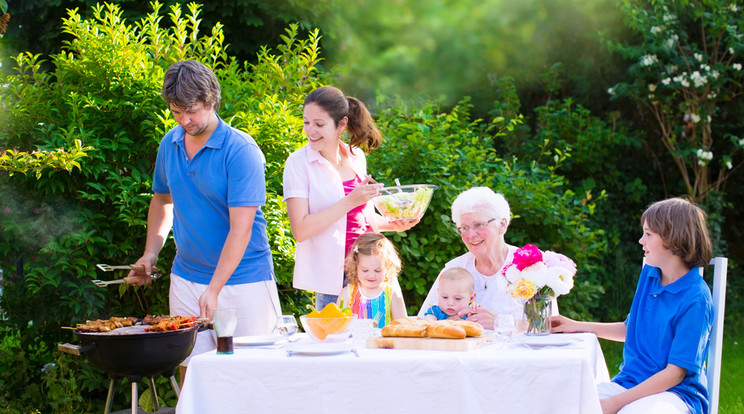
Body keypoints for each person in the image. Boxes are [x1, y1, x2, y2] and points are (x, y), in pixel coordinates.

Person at [129, 60, 281, 380]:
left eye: (192, 111)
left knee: (254, 378)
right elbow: (161, 200)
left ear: (211, 100)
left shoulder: (240, 150)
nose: (185, 120)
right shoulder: (169, 144)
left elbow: (241, 228)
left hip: (245, 281)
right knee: (192, 374)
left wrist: (214, 288)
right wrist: (150, 253)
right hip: (186, 278)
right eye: (176, 112)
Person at [551, 197, 714, 414]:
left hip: (675, 394)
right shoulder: (650, 275)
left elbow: (675, 374)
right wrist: (576, 325)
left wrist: (617, 402)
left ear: (673, 239)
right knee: (567, 404)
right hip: (630, 383)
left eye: (648, 234)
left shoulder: (696, 299)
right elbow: (632, 329)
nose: (641, 241)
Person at [283, 85, 418, 310]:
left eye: (319, 124)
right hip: (334, 277)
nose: (310, 131)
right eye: (306, 122)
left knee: (385, 335)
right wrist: (350, 201)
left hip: (372, 267)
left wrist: (396, 224)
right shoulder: (298, 164)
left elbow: (363, 219)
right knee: (335, 339)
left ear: (342, 124)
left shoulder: (355, 157)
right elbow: (301, 230)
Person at [417, 187, 527, 329]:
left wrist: (499, 323)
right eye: (464, 228)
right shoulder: (454, 269)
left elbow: (548, 326)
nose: (470, 235)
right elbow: (421, 324)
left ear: (502, 225)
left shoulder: (529, 267)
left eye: (479, 225)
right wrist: (449, 323)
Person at [336, 232, 407, 328]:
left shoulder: (391, 294)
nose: (371, 275)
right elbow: (338, 325)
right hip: (353, 342)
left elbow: (402, 325)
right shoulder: (347, 293)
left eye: (378, 270)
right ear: (355, 267)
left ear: (388, 267)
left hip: (383, 342)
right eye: (365, 270)